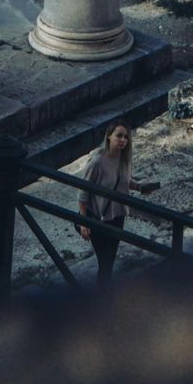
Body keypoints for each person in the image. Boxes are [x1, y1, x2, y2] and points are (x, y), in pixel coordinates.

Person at [78, 120, 134, 282]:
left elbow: (126, 180)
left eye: (126, 137)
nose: (123, 140)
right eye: (119, 136)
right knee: (105, 259)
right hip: (99, 217)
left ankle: (104, 290)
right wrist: (83, 222)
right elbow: (83, 192)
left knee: (110, 259)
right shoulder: (97, 162)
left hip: (118, 216)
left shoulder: (125, 159)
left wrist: (140, 187)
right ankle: (103, 294)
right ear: (109, 136)